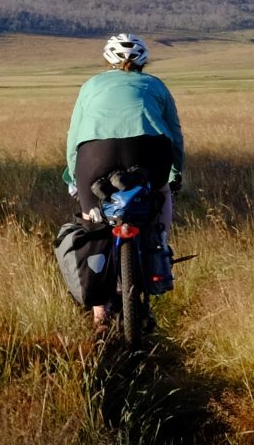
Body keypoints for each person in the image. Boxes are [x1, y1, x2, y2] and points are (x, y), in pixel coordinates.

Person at [64, 32, 185, 329]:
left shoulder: (91, 85)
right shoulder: (155, 85)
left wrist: (73, 177)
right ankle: (159, 239)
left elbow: (74, 135)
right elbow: (175, 133)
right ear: (143, 62)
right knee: (160, 192)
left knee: (93, 226)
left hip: (94, 153)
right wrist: (175, 173)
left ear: (107, 60)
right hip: (149, 150)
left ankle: (99, 313)